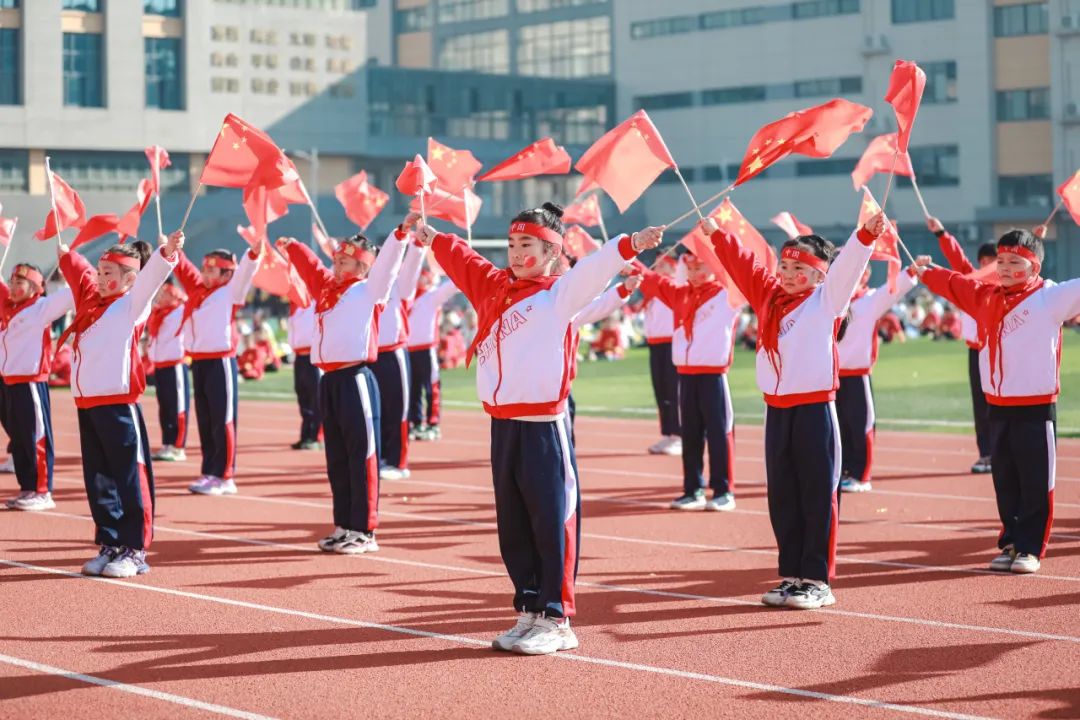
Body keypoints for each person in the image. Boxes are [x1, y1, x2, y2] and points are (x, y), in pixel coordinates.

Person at [416, 201, 663, 656]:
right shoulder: (493, 287)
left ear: (552, 251)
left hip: (543, 428)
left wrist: (628, 244)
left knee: (551, 521)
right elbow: (463, 258)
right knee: (513, 526)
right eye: (511, 244)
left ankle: (557, 616)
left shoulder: (560, 294)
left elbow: (593, 270)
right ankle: (528, 608)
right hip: (502, 426)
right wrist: (431, 236)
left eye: (526, 244)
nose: (514, 252)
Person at [706, 210, 884, 610]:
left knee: (818, 496)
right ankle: (791, 575)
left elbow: (849, 268)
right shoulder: (769, 298)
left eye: (799, 268)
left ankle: (817, 579)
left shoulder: (827, 301)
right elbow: (744, 266)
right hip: (777, 412)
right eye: (784, 266)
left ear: (820, 275)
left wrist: (865, 237)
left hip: (815, 411)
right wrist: (718, 235)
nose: (788, 274)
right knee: (783, 496)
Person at [918, 224, 1078, 575]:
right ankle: (1011, 540)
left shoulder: (1051, 297)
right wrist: (925, 273)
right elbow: (956, 284)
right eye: (1001, 261)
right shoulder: (987, 296)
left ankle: (1031, 548)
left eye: (1014, 262)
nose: (1004, 268)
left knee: (1036, 480)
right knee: (1005, 479)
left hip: (1035, 408)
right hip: (998, 406)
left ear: (1035, 266)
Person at [281, 219, 411, 555]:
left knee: (362, 456)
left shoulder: (369, 290)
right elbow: (311, 268)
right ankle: (344, 524)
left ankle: (365, 530)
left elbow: (388, 266)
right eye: (336, 260)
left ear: (363, 266)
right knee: (336, 457)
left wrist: (400, 234)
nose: (335, 266)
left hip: (356, 380)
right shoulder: (326, 288)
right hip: (330, 381)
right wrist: (294, 247)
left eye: (343, 261)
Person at [58, 232, 183, 578]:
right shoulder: (91, 303)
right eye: (100, 273)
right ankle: (110, 543)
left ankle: (135, 549)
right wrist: (67, 256)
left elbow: (153, 278)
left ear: (130, 278)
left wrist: (167, 253)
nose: (100, 280)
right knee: (98, 480)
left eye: (108, 274)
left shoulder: (130, 304)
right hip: (88, 406)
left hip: (118, 406)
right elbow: (80, 274)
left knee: (130, 478)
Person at [639, 251, 742, 513]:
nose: (696, 273)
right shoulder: (680, 293)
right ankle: (692, 489)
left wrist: (718, 240)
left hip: (713, 376)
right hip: (685, 375)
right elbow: (651, 280)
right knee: (691, 435)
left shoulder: (727, 295)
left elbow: (743, 272)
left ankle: (723, 490)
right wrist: (626, 261)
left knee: (719, 434)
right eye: (692, 268)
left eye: (702, 268)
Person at [172, 243, 262, 496]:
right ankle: (210, 472)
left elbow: (245, 273)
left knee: (222, 419)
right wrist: (172, 249)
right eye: (205, 270)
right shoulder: (198, 289)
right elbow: (183, 268)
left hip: (220, 361)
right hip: (198, 362)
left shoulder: (231, 291)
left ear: (226, 275)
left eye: (213, 271)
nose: (205, 274)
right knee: (206, 419)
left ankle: (225, 476)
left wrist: (253, 254)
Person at [835, 265, 918, 493]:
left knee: (860, 425)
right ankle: (843, 470)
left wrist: (911, 271)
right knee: (838, 427)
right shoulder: (832, 299)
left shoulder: (869, 300)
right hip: (832, 377)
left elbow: (893, 289)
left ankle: (861, 475)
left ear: (865, 276)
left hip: (857, 375)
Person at [0, 263, 73, 510]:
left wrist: (68, 261)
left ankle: (43, 491)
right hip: (10, 384)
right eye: (11, 282)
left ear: (34, 288)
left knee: (36, 439)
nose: (12, 287)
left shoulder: (40, 308)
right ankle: (28, 488)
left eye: (19, 283)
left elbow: (72, 293)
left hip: (30, 384)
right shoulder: (9, 309)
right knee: (19, 441)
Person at [930, 217, 998, 474]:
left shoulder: (1005, 285)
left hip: (999, 351)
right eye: (984, 261)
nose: (987, 265)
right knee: (980, 405)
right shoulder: (973, 281)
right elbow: (957, 261)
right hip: (975, 351)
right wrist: (940, 233)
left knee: (1002, 404)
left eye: (993, 260)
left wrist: (1035, 240)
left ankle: (1005, 453)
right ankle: (986, 454)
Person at [374, 236, 426, 480]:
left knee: (397, 411)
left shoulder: (399, 284)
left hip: (394, 353)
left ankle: (399, 462)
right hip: (370, 355)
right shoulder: (366, 285)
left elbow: (413, 264)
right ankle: (382, 456)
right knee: (378, 411)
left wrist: (417, 244)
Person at [406, 270, 459, 441]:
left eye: (424, 276)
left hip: (427, 349)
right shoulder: (407, 297)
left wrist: (459, 268)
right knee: (413, 390)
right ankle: (415, 423)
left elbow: (451, 286)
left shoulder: (432, 296)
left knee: (431, 388)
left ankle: (433, 424)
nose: (420, 279)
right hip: (408, 351)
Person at [637, 255, 681, 455]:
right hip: (655, 345)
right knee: (661, 391)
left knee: (674, 391)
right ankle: (668, 433)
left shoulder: (674, 287)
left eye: (664, 263)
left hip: (672, 344)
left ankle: (679, 435)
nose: (658, 265)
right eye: (657, 262)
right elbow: (643, 279)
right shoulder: (653, 291)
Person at [146, 280, 190, 462]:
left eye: (165, 293)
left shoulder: (180, 311)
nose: (160, 297)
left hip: (175, 366)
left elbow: (190, 303)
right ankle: (167, 443)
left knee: (177, 407)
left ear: (174, 295)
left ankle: (178, 447)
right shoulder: (158, 314)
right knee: (164, 408)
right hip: (160, 366)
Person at [287, 277, 321, 450]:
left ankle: (315, 436)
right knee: (303, 397)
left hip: (313, 358)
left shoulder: (316, 300)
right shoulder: (295, 306)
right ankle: (306, 434)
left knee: (316, 398)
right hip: (299, 358)